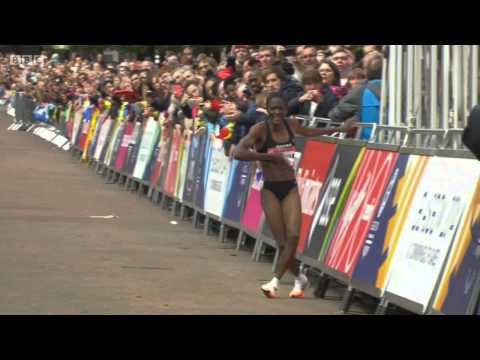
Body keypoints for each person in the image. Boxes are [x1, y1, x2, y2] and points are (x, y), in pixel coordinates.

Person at [233, 93, 354, 299]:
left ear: (286, 110)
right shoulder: (260, 130)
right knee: (282, 244)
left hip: (290, 187)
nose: (277, 113)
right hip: (270, 188)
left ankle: (274, 282)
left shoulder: (293, 125)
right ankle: (300, 278)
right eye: (273, 109)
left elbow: (311, 131)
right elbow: (238, 152)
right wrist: (268, 157)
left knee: (294, 236)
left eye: (281, 108)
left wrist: (340, 129)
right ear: (268, 110)